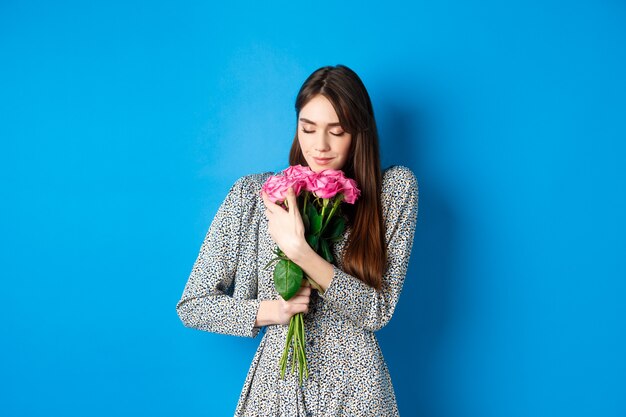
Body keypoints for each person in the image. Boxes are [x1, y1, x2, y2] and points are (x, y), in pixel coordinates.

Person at [176, 64, 419, 416]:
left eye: (337, 132)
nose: (319, 145)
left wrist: (301, 253)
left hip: (356, 392)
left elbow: (377, 311)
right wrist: (274, 310)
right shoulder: (254, 196)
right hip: (277, 389)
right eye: (308, 128)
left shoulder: (392, 194)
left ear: (359, 134)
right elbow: (193, 305)